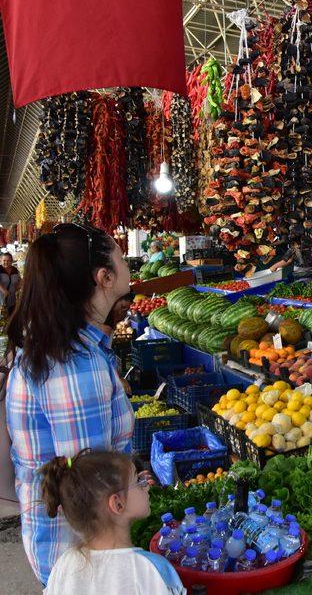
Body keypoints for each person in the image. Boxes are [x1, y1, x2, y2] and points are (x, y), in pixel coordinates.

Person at [5, 223, 135, 586]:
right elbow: (90, 487)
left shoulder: (63, 348)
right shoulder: (73, 365)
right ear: (104, 277)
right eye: (121, 257)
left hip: (67, 550)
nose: (128, 265)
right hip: (82, 560)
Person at [41, 449, 185, 595]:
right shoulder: (152, 569)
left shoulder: (63, 566)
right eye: (138, 481)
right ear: (117, 504)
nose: (146, 486)